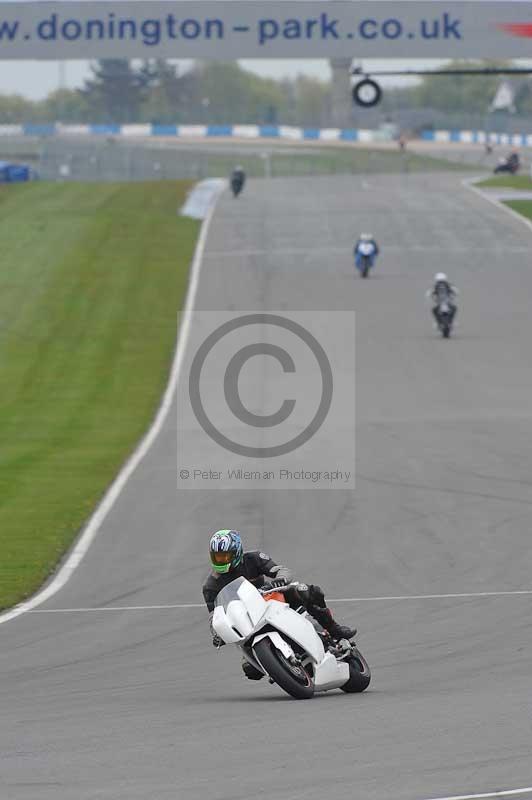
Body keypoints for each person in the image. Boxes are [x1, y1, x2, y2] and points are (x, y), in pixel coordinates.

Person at [203, 530, 357, 680]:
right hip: (247, 620)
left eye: (224, 556)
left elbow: (282, 570)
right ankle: (280, 666)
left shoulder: (253, 558)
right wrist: (217, 633)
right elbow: (214, 617)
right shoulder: (211, 586)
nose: (221, 561)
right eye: (216, 557)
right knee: (250, 670)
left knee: (306, 591)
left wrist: (280, 579)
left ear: (237, 552)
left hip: (270, 598)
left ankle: (333, 629)